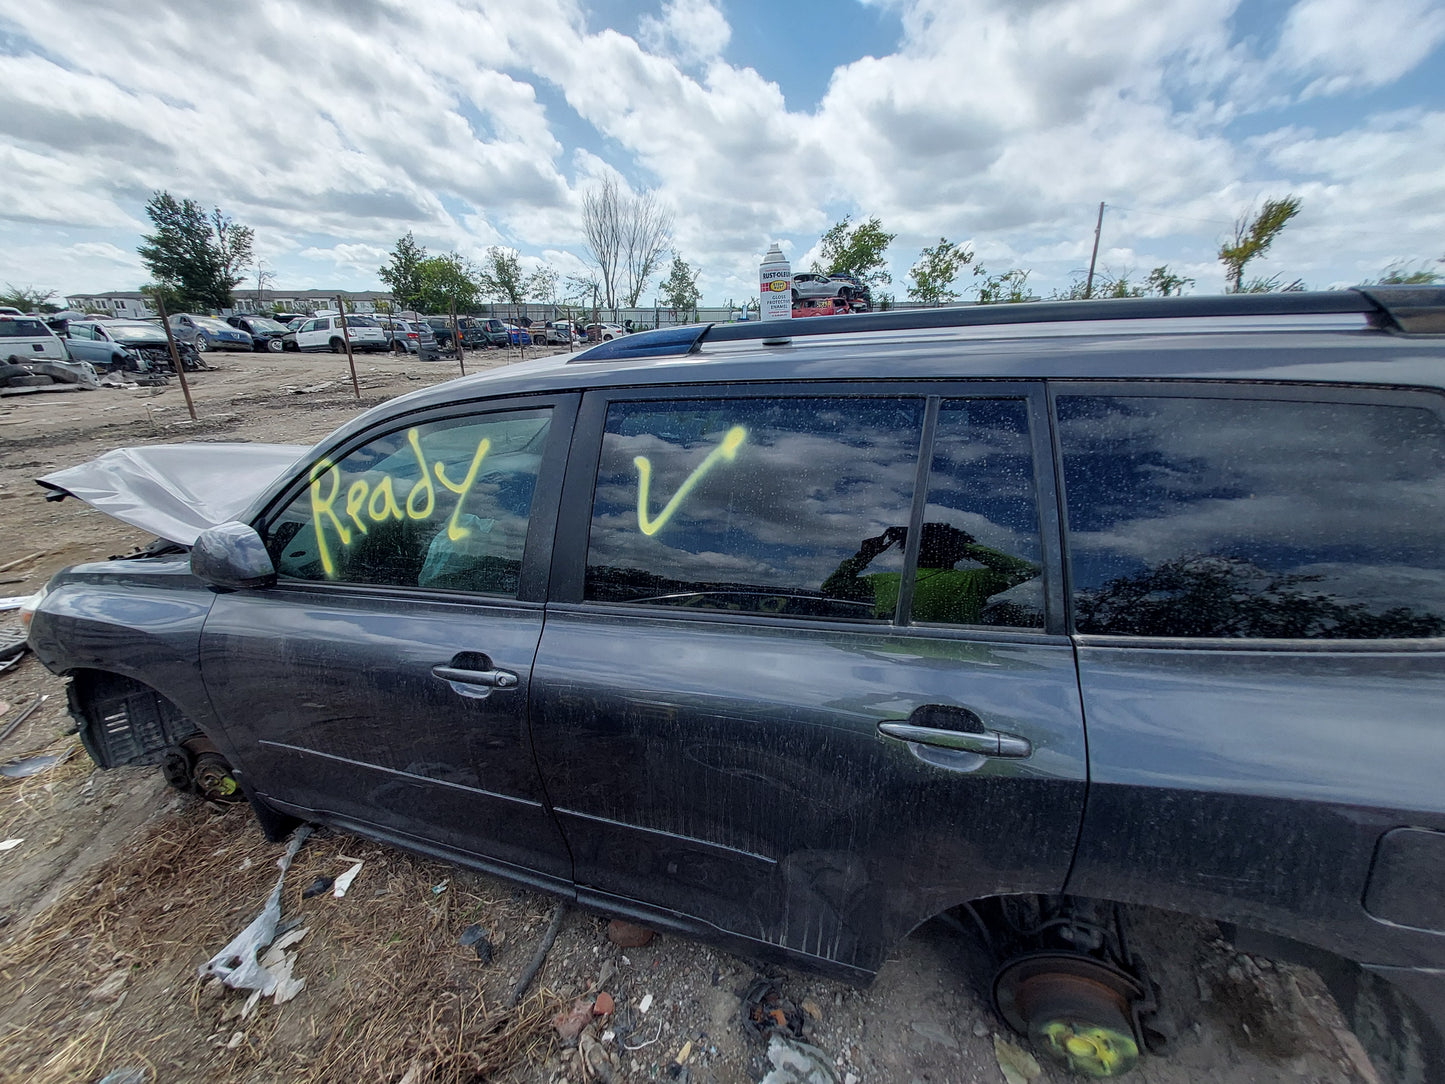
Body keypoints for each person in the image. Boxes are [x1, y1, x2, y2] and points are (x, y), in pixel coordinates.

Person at [821, 522, 1038, 623]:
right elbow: (1028, 570)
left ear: (909, 552)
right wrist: (963, 545)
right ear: (956, 553)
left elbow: (832, 587)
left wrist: (865, 555)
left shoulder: (884, 580)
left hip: (892, 665)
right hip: (964, 665)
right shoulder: (974, 580)